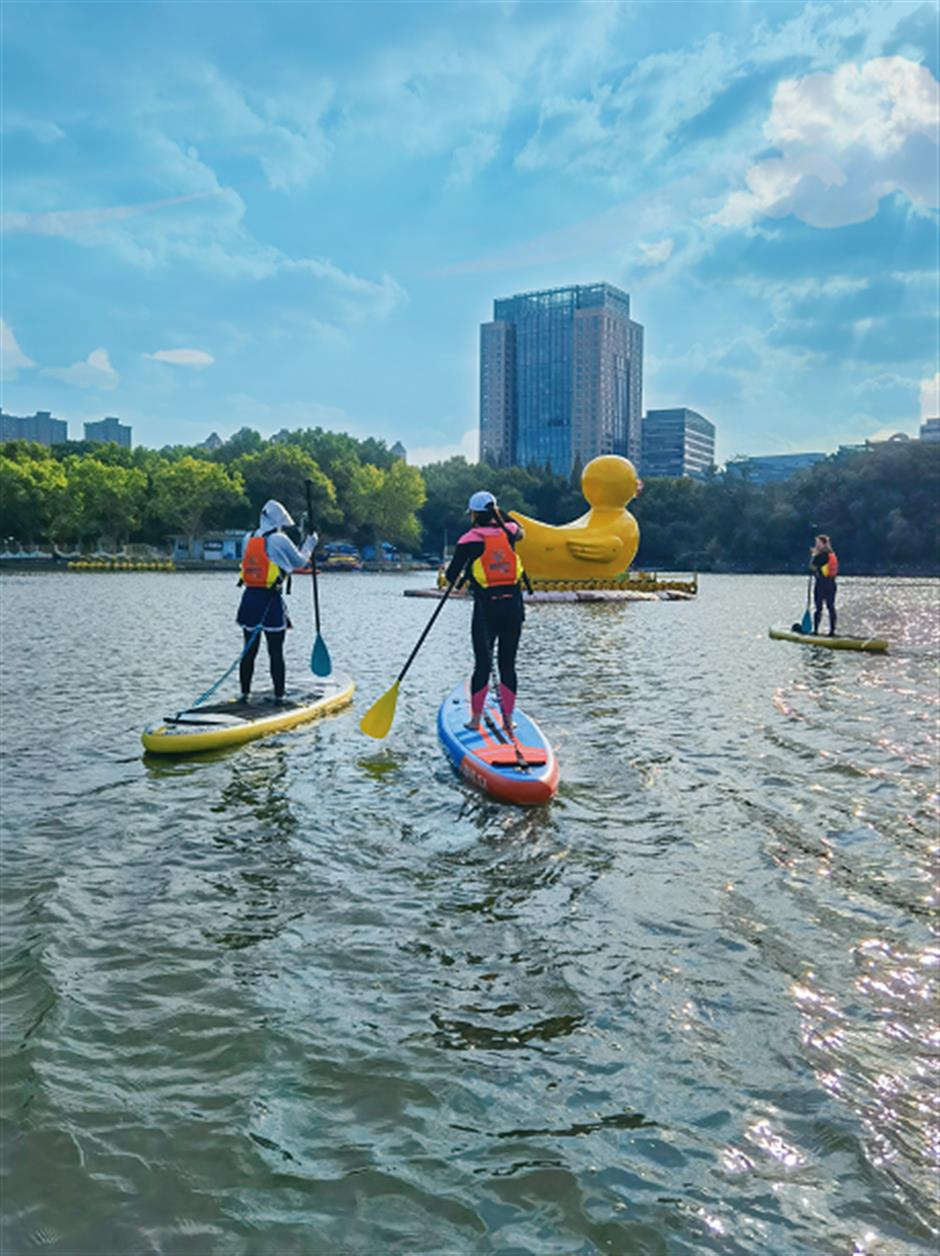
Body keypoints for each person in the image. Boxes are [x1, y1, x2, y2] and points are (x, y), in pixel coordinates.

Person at [444, 491, 526, 730]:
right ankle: (509, 721)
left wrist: (465, 574)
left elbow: (451, 575)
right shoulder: (510, 532)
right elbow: (518, 527)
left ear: (473, 515)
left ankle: (475, 720)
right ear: (495, 511)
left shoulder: (469, 539)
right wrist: (499, 512)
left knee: (482, 664)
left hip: (486, 611)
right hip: (513, 608)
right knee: (508, 665)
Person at [237, 500, 317, 703]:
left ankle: (244, 693)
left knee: (249, 650)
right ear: (277, 521)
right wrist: (310, 543)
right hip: (270, 600)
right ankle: (279, 696)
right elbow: (299, 561)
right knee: (275, 651)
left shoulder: (248, 537)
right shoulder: (279, 539)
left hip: (249, 599)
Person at [810, 533, 839, 636]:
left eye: (818, 543)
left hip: (821, 584)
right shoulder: (832, 555)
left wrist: (813, 556)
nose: (816, 545)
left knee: (818, 608)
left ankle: (816, 631)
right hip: (831, 583)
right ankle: (832, 631)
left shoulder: (820, 556)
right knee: (831, 606)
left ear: (823, 544)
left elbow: (813, 568)